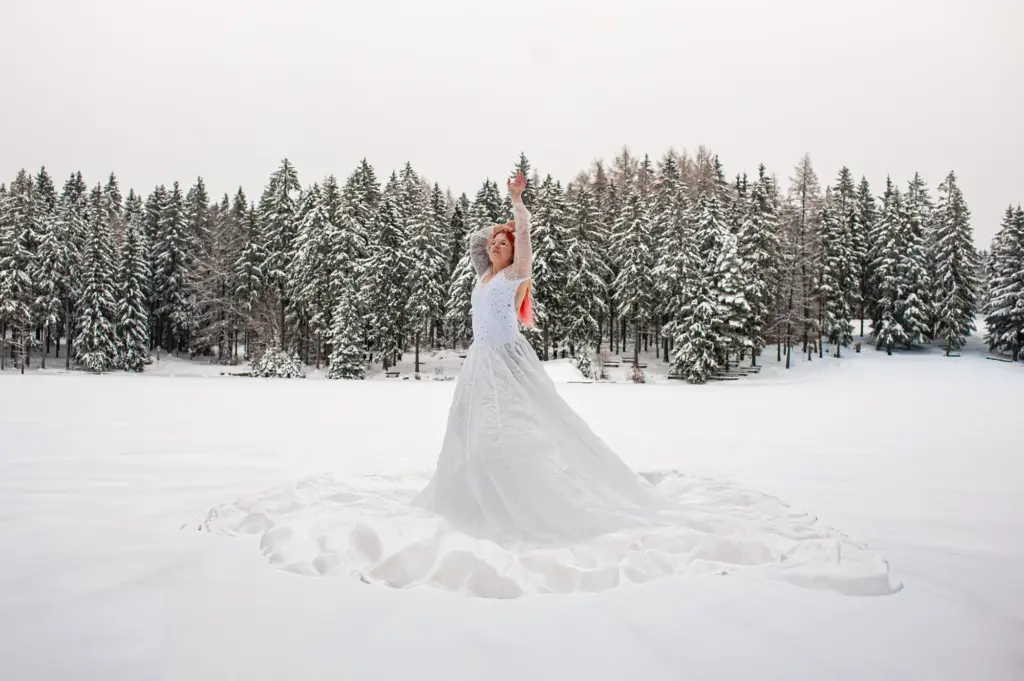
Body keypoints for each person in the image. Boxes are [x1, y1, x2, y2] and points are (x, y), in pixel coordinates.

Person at [413, 171, 674, 546]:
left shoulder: (515, 276)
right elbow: (475, 241)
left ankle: (534, 492)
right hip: (479, 364)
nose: (495, 246)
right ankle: (476, 497)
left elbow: (524, 239)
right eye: (494, 244)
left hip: (508, 361)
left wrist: (516, 204)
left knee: (516, 428)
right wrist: (496, 231)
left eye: (503, 244)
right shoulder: (483, 277)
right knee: (468, 434)